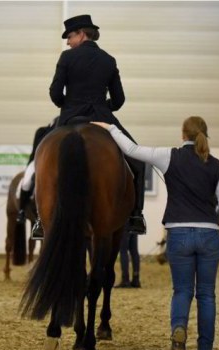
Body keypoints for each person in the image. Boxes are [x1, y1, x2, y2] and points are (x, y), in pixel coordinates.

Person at [93, 116, 219, 350]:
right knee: (206, 295)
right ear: (205, 134)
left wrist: (111, 127)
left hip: (178, 234)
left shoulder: (169, 156)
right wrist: (213, 221)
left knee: (181, 291)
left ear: (183, 135)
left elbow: (132, 150)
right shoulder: (216, 164)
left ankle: (178, 331)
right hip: (210, 234)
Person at [49, 14, 146, 234]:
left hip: (70, 118)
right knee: (138, 163)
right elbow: (119, 100)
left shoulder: (66, 57)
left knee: (41, 159)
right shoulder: (109, 60)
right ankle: (136, 216)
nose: (67, 42)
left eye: (70, 36)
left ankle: (38, 219)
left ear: (82, 34)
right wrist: (102, 106)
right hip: (103, 118)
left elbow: (55, 94)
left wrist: (70, 105)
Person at [15, 117, 57, 238]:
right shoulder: (42, 131)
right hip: (37, 161)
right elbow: (35, 150)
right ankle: (21, 211)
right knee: (27, 181)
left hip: (55, 163)